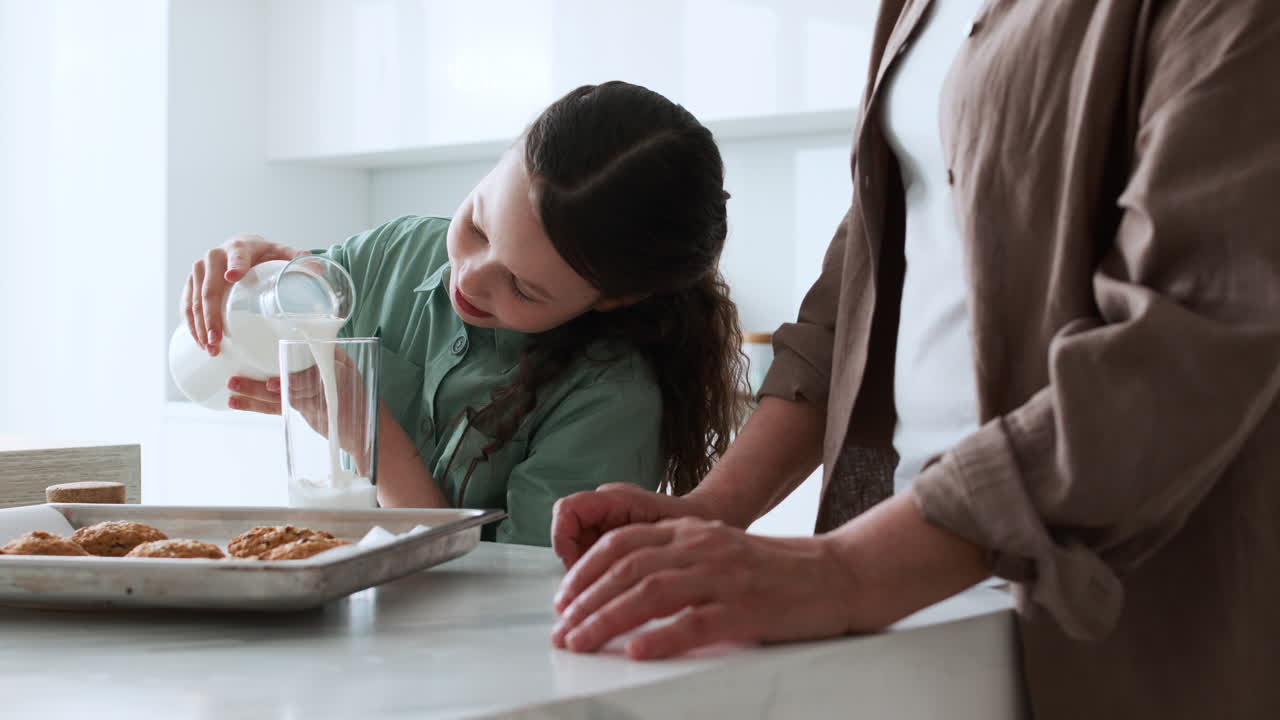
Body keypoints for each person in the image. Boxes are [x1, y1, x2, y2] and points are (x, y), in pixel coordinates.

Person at [548, 2, 1280, 718]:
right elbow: (864, 275)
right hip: (908, 583)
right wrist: (713, 509)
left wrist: (853, 569)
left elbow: (1190, 340)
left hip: (1118, 617)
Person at [181, 81, 749, 546]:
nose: (470, 278)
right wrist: (247, 281)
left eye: (523, 289)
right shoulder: (397, 254)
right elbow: (233, 348)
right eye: (477, 225)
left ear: (614, 299)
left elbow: (512, 598)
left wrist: (369, 433)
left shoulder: (610, 401)